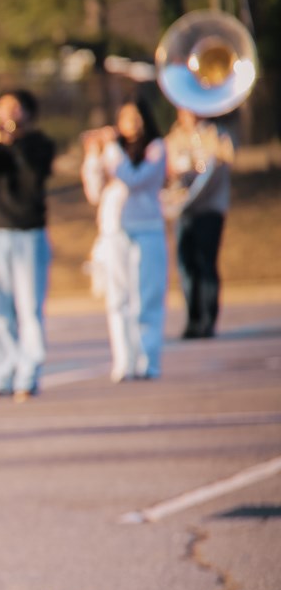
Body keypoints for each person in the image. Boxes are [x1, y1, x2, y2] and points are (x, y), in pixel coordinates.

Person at [0, 88, 56, 401]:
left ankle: (27, 375)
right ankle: (2, 373)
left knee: (29, 308)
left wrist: (14, 143)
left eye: (14, 108)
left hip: (28, 233)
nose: (6, 114)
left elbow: (34, 176)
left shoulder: (39, 144)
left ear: (28, 113)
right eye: (2, 107)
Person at [82, 99, 169, 382]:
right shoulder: (112, 153)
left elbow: (134, 178)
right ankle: (124, 360)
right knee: (117, 298)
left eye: (134, 117)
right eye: (124, 117)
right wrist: (93, 156)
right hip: (114, 230)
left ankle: (149, 359)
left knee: (147, 297)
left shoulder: (156, 149)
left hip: (148, 228)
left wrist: (110, 148)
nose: (129, 123)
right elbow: (94, 192)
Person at [164, 107, 235, 339]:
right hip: (183, 209)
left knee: (206, 263)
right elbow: (167, 169)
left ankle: (207, 319)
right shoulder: (175, 137)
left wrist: (205, 147)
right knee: (186, 265)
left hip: (209, 208)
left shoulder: (216, 134)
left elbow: (224, 160)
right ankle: (192, 319)